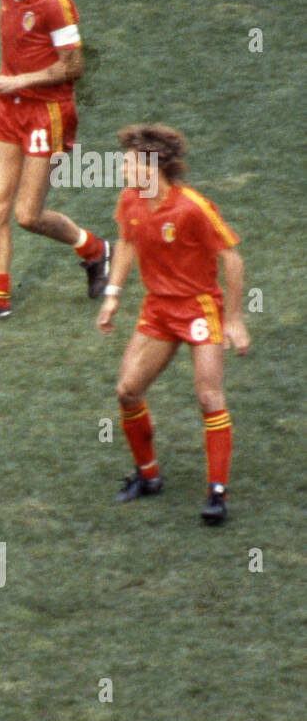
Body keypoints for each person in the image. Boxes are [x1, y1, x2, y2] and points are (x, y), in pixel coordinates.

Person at [96, 125, 249, 526]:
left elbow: (231, 259)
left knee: (208, 397)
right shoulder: (130, 201)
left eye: (128, 164)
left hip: (199, 309)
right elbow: (127, 242)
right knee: (128, 390)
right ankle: (148, 477)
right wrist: (112, 294)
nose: (123, 170)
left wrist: (233, 319)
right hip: (158, 310)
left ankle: (216, 492)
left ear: (151, 167)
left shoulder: (192, 207)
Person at [0, 0, 111, 325]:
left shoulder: (54, 3)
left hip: (48, 112)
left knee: (27, 215)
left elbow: (75, 66)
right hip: (9, 109)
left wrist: (18, 79)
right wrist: (10, 86)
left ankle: (95, 249)